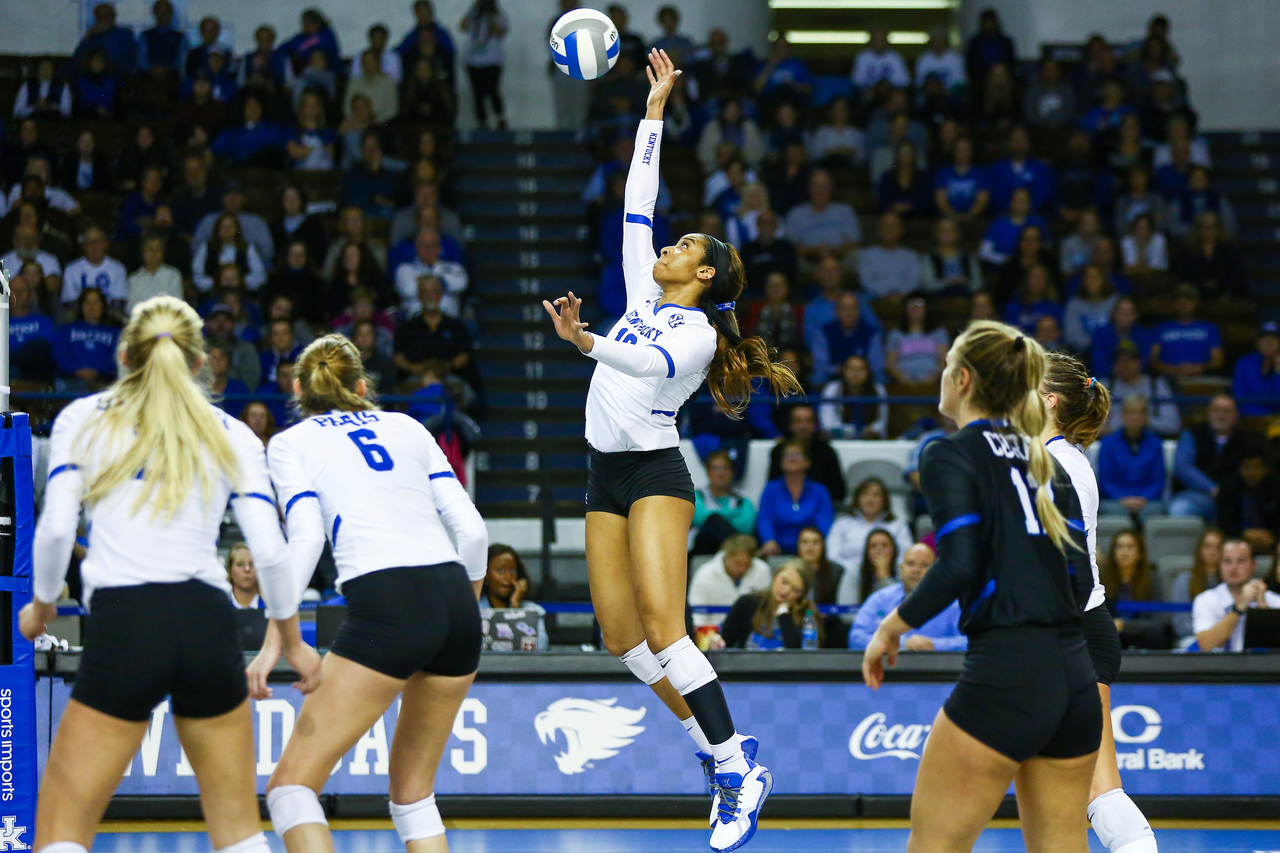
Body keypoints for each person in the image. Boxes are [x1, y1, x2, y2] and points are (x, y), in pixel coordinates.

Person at [539, 51, 799, 850]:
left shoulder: (690, 332)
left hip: (656, 474)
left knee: (664, 626)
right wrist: (653, 112)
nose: (669, 246)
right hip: (602, 471)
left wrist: (587, 341)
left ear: (707, 271)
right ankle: (716, 753)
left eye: (687, 244)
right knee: (621, 638)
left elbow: (642, 364)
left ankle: (737, 771)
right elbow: (635, 203)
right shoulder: (646, 292)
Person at [22, 296, 305, 853]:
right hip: (207, 620)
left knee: (61, 832)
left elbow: (55, 531)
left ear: (124, 355)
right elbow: (270, 550)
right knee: (239, 833)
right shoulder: (232, 431)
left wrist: (43, 604)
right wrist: (290, 638)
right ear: (201, 364)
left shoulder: (83, 417)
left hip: (125, 622)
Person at [861, 320, 1099, 853]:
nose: (942, 375)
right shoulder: (1050, 464)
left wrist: (890, 628)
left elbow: (958, 565)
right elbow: (1082, 580)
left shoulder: (948, 452)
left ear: (963, 380)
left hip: (1008, 671)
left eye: (946, 365)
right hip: (1074, 674)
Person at [249, 332, 484, 852]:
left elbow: (306, 540)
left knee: (291, 789)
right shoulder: (406, 425)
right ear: (361, 384)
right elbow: (473, 532)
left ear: (298, 390)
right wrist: (462, 613)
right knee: (414, 796)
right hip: (453, 594)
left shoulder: (292, 442)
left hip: (387, 600)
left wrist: (276, 644)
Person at [1039, 349, 1157, 853]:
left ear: (1046, 401)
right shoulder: (1056, 458)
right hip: (1070, 638)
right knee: (1063, 795)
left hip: (1075, 637)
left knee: (1097, 788)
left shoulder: (1059, 465)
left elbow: (1076, 577)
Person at [849, 542, 965, 651]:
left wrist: (934, 644)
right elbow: (855, 639)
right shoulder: (880, 599)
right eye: (910, 564)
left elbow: (969, 641)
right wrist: (902, 644)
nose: (916, 570)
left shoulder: (951, 603)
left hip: (939, 669)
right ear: (901, 569)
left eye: (924, 565)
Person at [1171, 394, 1260, 520]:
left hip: (1234, 497)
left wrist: (1226, 491)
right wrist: (1212, 489)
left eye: (1227, 411)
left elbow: (1249, 471)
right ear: (1208, 413)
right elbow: (1182, 468)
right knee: (1180, 508)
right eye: (1216, 410)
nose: (1221, 416)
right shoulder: (1192, 434)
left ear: (1236, 415)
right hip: (1198, 494)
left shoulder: (1246, 440)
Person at [830, 476, 914, 598]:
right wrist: (860, 569)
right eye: (865, 494)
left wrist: (885, 568)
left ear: (884, 500)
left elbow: (906, 557)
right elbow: (832, 557)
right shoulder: (842, 523)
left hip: (891, 575)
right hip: (849, 576)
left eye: (876, 495)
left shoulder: (898, 526)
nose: (870, 499)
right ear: (857, 498)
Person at [1193, 539, 1280, 652]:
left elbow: (1276, 649)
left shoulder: (1274, 600)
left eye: (1241, 561)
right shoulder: (1206, 600)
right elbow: (1206, 645)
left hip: (1261, 667)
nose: (1233, 567)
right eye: (1227, 561)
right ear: (1220, 565)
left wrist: (1262, 607)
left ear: (1253, 565)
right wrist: (1238, 608)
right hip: (1217, 667)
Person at [717, 561, 820, 650]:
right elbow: (725, 643)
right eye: (784, 581)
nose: (786, 591)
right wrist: (716, 642)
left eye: (795, 590)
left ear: (802, 594)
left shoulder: (807, 615)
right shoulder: (747, 603)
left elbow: (800, 656)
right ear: (775, 576)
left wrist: (784, 615)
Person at [1097, 397, 1168, 522]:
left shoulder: (1155, 443)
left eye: (1139, 412)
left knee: (1154, 511)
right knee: (1113, 512)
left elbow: (1158, 480)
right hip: (1116, 500)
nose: (1134, 417)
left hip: (1148, 501)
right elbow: (1105, 481)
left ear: (1146, 416)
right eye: (1130, 412)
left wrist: (1144, 498)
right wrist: (1122, 499)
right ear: (1123, 415)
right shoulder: (1108, 443)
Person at [757, 441, 834, 557]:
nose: (792, 458)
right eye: (787, 455)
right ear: (781, 462)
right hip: (776, 549)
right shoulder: (771, 489)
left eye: (797, 454)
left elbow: (824, 520)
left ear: (808, 462)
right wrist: (769, 540)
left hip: (809, 548)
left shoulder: (819, 491)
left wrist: (814, 543)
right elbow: (764, 519)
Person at [1100, 530, 1170, 650]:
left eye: (1130, 547)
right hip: (1111, 637)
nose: (1124, 552)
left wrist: (1125, 625)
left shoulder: (1152, 578)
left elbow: (1159, 621)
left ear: (1140, 553)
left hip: (1143, 637)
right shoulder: (1103, 579)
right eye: (1119, 547)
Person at [767, 405, 848, 505]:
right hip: (784, 506)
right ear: (790, 425)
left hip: (819, 506)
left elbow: (839, 491)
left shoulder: (826, 451)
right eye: (798, 421)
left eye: (808, 421)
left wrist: (812, 501)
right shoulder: (778, 451)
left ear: (815, 425)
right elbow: (772, 485)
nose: (803, 426)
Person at [688, 535, 773, 628]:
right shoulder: (704, 574)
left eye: (747, 564)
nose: (742, 569)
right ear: (727, 555)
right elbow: (697, 614)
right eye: (738, 563)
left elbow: (766, 609)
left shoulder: (762, 570)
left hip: (750, 632)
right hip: (712, 631)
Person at [784, 169, 861, 268]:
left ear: (831, 188)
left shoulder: (845, 211)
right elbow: (791, 247)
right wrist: (814, 250)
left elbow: (854, 243)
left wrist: (834, 251)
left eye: (824, 186)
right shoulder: (796, 214)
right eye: (817, 187)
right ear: (809, 189)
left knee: (859, 256)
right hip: (810, 260)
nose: (821, 191)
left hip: (840, 260)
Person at [1105, 342, 1180, 438]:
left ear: (1139, 362)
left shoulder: (1156, 385)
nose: (1124, 365)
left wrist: (1145, 421)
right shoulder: (1105, 386)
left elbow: (1173, 425)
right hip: (1114, 443)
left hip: (1151, 441)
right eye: (1119, 361)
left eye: (1130, 360)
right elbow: (1091, 426)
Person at [481, 545, 549, 650]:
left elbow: (540, 647)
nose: (508, 577)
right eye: (500, 570)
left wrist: (516, 608)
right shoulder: (473, 610)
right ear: (486, 575)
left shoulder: (533, 611)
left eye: (512, 571)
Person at [690, 450, 757, 555]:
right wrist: (733, 514)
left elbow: (746, 526)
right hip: (704, 549)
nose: (720, 473)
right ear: (708, 472)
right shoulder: (696, 496)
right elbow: (700, 518)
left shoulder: (743, 501)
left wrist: (718, 515)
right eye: (715, 469)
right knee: (714, 520)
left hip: (733, 550)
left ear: (732, 472)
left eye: (725, 468)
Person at [1150, 285, 1223, 379]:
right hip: (1169, 379)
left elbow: (1218, 360)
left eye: (1188, 300)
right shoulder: (1161, 328)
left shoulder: (1209, 328)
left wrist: (1198, 368)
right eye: (1179, 301)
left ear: (1196, 303)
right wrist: (1174, 370)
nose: (1184, 304)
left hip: (1202, 378)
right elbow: (1153, 360)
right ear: (1174, 304)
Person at [1216, 449, 1280, 554]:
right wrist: (1244, 534)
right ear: (1239, 469)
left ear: (1265, 470)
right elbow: (1224, 523)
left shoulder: (1275, 489)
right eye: (1247, 467)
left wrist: (1272, 536)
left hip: (1270, 542)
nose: (1251, 473)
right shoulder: (1229, 490)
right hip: (1236, 540)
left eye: (1257, 467)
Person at [460, 0, 508, 129]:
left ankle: (500, 117)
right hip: (473, 61)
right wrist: (473, 9)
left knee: (492, 90)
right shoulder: (473, 16)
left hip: (492, 61)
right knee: (477, 93)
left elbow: (501, 32)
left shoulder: (498, 16)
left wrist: (491, 17)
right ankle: (482, 121)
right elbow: (463, 26)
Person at [1171, 528, 1223, 642]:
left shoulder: (1230, 581)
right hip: (1194, 638)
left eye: (1217, 547)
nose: (1212, 551)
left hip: (1227, 637)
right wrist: (1208, 634)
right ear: (1199, 550)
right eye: (1207, 546)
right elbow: (1181, 623)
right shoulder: (1185, 580)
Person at [193, 213, 268, 293]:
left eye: (230, 227)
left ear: (237, 230)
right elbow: (197, 275)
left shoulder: (247, 248)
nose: (227, 230)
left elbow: (259, 275)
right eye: (223, 227)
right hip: (212, 293)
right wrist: (216, 284)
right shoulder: (207, 247)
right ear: (217, 230)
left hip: (242, 294)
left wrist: (240, 282)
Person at [819, 355, 888, 439]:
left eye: (860, 369)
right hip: (839, 440)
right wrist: (852, 431)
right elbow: (828, 423)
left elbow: (882, 422)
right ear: (843, 371)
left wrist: (872, 429)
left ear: (868, 372)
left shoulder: (878, 390)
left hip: (870, 441)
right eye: (851, 369)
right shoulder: (832, 389)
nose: (855, 373)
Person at [62, 226, 128, 314]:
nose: (94, 246)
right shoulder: (71, 269)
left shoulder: (118, 268)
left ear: (105, 244)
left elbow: (118, 303)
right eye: (90, 242)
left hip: (109, 318)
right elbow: (69, 303)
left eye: (98, 242)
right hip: (79, 318)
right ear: (84, 246)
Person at [886, 294, 949, 385]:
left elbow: (944, 360)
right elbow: (890, 363)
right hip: (903, 383)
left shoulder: (939, 333)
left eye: (919, 306)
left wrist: (932, 379)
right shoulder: (895, 335)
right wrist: (904, 380)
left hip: (933, 383)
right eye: (911, 306)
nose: (915, 310)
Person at [921, 218, 983, 294]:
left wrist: (965, 283)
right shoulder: (928, 258)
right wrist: (950, 282)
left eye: (951, 230)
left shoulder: (969, 257)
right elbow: (927, 285)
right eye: (943, 230)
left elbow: (978, 284)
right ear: (936, 234)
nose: (947, 233)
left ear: (958, 234)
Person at [127, 234, 183, 314]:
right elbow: (131, 307)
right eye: (149, 249)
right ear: (143, 253)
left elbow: (177, 304)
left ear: (163, 253)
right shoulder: (133, 279)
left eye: (157, 249)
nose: (153, 253)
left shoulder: (173, 275)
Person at [1233, 321, 1280, 416]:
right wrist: (1261, 417)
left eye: (1273, 338)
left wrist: (1278, 374)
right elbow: (1240, 398)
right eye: (1264, 338)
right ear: (1258, 342)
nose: (1269, 342)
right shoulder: (1244, 364)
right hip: (1250, 418)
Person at [225, 543, 262, 610]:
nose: (247, 569)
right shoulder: (219, 605)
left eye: (252, 564)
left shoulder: (271, 606)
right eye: (240, 564)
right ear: (230, 569)